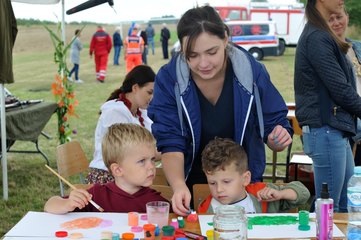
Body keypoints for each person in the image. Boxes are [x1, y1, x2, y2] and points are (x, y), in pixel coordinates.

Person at [148, 6, 293, 216]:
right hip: (191, 184)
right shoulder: (169, 79)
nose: (203, 63)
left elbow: (273, 127)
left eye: (212, 52)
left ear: (226, 38)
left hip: (243, 187)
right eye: (193, 55)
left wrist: (276, 138)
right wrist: (178, 185)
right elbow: (170, 141)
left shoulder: (252, 72)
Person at [294, 0, 361, 212]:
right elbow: (340, 90)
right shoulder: (317, 37)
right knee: (329, 209)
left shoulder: (321, 33)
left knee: (343, 205)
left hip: (334, 131)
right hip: (326, 130)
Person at [44, 123, 169, 214]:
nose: (151, 166)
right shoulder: (97, 195)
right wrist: (67, 204)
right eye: (142, 161)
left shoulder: (155, 202)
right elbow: (49, 205)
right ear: (118, 170)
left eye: (152, 159)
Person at [198, 138, 310, 213]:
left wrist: (280, 194)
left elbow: (304, 193)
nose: (219, 189)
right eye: (212, 183)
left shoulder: (261, 195)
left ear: (245, 178)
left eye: (226, 181)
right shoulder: (206, 208)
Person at [87, 65, 156, 184]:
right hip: (108, 176)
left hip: (127, 174)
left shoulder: (139, 112)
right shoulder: (116, 112)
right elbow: (131, 152)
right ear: (135, 88)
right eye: (149, 92)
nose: (152, 97)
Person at [328, 8, 361, 166]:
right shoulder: (325, 53)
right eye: (330, 19)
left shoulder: (358, 47)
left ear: (347, 17)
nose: (336, 22)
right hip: (348, 130)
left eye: (339, 17)